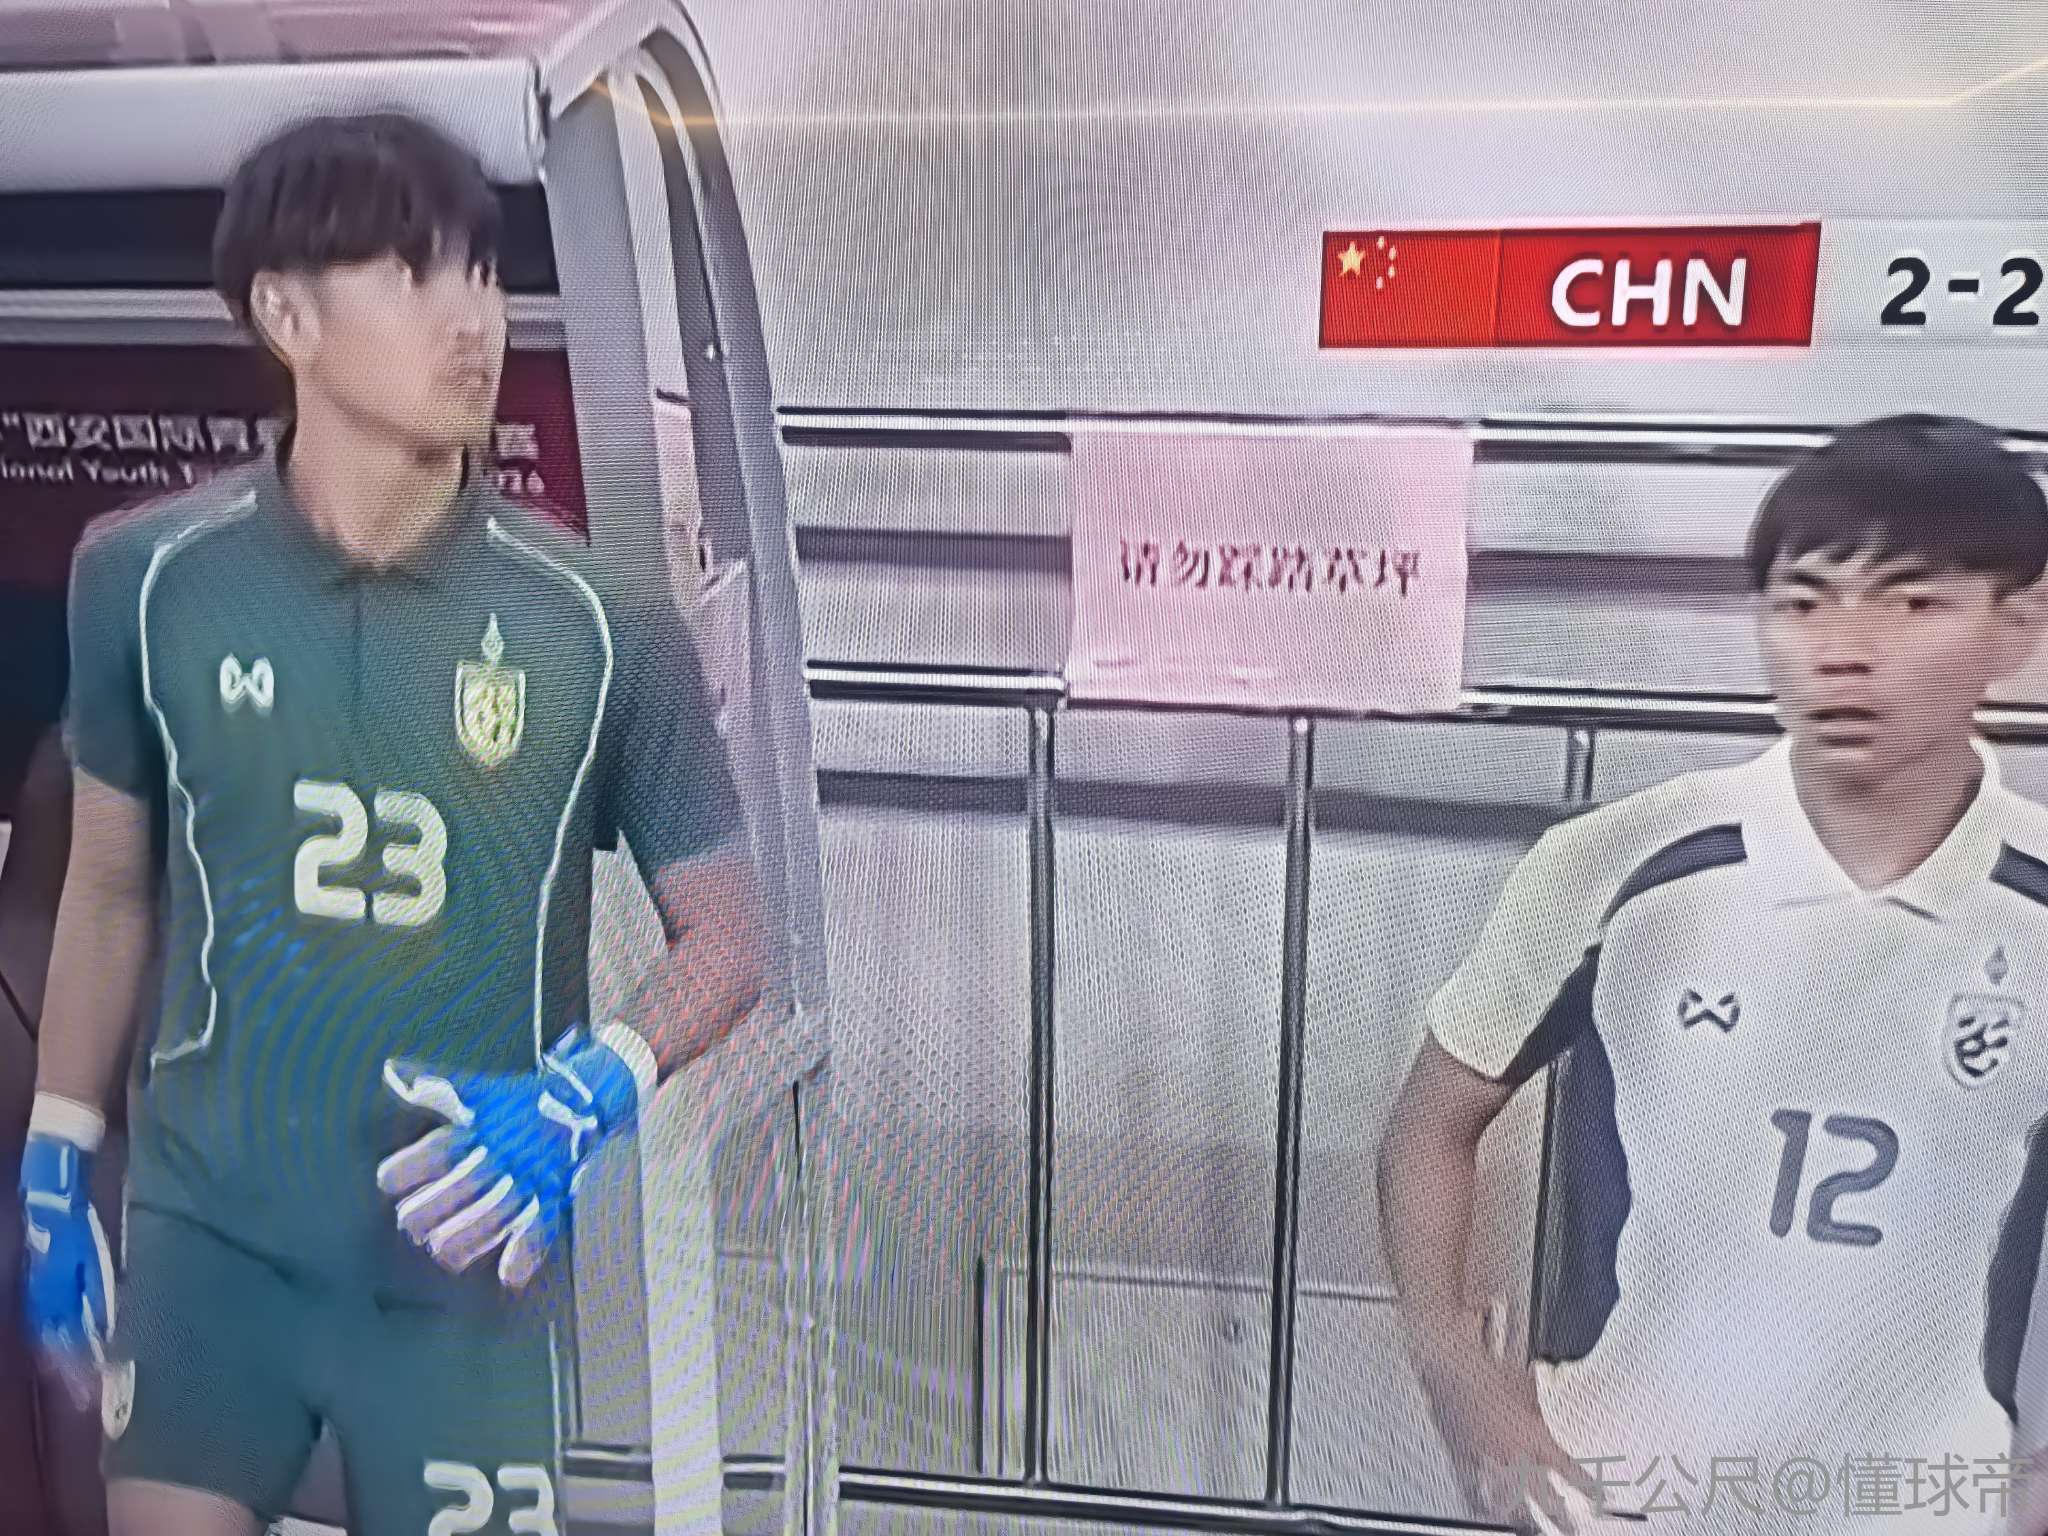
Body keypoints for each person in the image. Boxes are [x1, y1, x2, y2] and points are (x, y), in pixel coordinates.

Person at [17, 112, 770, 1536]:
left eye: (484, 273)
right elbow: (110, 888)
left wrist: (592, 1087)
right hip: (207, 1244)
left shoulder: (601, 626)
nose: (471, 317)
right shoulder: (143, 579)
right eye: (413, 272)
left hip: (459, 1269)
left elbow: (731, 938)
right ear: (286, 316)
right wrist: (58, 1153)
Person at [1379, 415, 2048, 1536]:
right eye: (1804, 602)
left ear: (2015, 624)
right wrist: (1461, 1380)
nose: (1844, 649)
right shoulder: (1619, 860)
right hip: (1623, 1497)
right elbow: (1427, 1130)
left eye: (1911, 603)